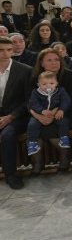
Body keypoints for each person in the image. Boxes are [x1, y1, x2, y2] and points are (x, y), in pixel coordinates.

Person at [0, 37, 32, 189]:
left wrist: (11, 116)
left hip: (17, 116)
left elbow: (29, 100)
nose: (5, 54)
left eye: (8, 50)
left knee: (7, 135)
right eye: (1, 50)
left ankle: (11, 175)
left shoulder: (25, 70)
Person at [26, 70, 71, 173]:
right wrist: (41, 111)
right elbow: (33, 103)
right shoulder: (35, 92)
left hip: (56, 114)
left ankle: (64, 138)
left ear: (56, 83)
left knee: (63, 122)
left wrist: (61, 109)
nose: (48, 86)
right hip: (40, 115)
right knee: (32, 124)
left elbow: (66, 100)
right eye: (44, 84)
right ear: (39, 84)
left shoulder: (60, 91)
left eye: (51, 83)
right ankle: (32, 142)